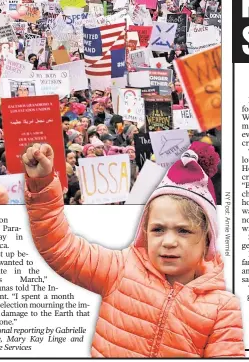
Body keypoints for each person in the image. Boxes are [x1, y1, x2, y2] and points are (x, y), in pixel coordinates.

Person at [22, 142, 244, 358]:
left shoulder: (222, 308)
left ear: (207, 240)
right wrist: (41, 185)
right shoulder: (120, 268)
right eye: (157, 229)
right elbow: (60, 248)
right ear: (144, 233)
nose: (168, 241)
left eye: (183, 231)